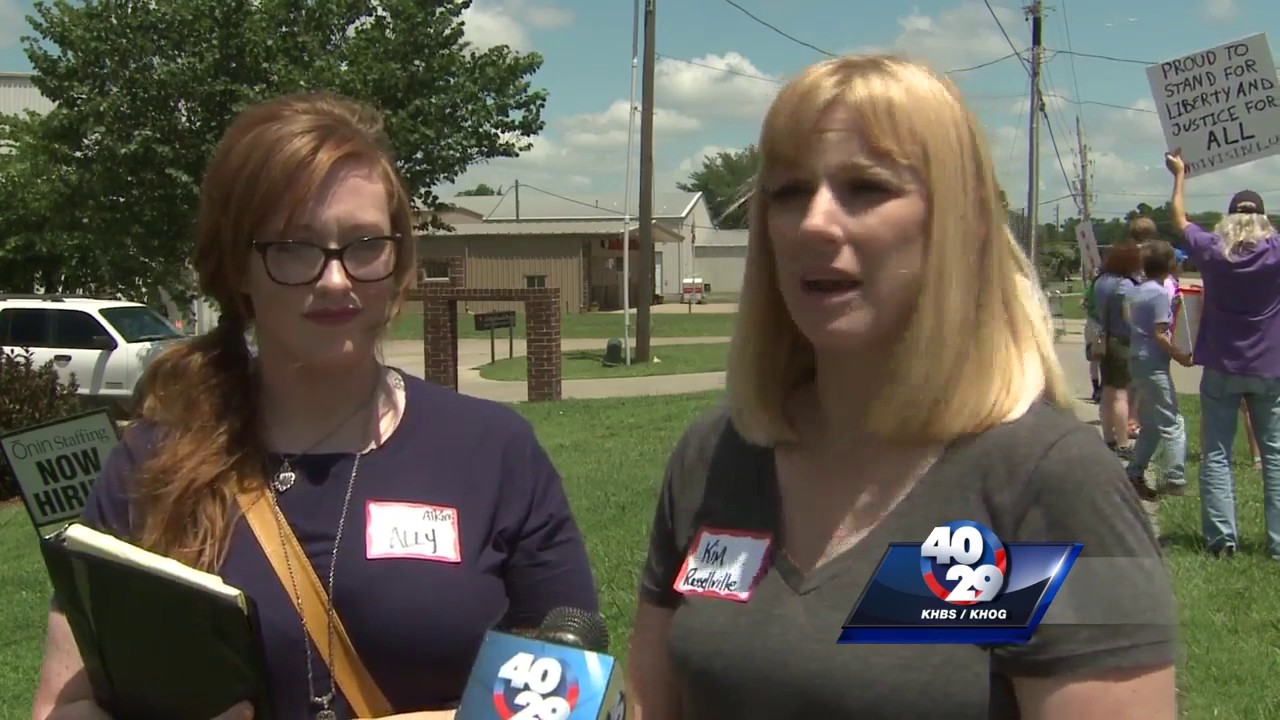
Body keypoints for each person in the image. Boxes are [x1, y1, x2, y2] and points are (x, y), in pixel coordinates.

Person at [626, 55, 1178, 719]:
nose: (815, 222)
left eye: (866, 187)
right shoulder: (716, 455)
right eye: (789, 192)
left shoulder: (1050, 484)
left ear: (960, 223)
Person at [30, 92, 599, 720]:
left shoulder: (493, 453)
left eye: (364, 243)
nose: (335, 279)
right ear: (239, 268)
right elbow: (66, 704)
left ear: (398, 260)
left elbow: (575, 695)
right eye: (294, 247)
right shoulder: (152, 465)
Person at [1166, 151, 1280, 559]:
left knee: (1216, 454)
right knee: (1275, 456)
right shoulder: (1275, 251)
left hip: (1220, 364)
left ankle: (1221, 541)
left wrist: (1180, 175)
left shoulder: (1213, 250)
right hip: (1269, 365)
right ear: (1264, 219)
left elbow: (1179, 219)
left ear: (1229, 217)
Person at [1124, 240, 1194, 500]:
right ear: (1169, 264)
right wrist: (1180, 356)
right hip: (1153, 363)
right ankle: (1175, 479)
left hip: (1136, 359)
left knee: (1152, 424)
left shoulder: (1136, 291)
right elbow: (1160, 334)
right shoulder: (1159, 294)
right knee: (1172, 422)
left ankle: (1134, 473)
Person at [1092, 234, 1145, 455]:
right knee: (1122, 394)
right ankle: (1123, 442)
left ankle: (1109, 438)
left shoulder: (1101, 282)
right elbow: (1130, 317)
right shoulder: (1125, 285)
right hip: (1122, 341)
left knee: (1107, 391)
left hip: (1103, 338)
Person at [1082, 268, 1103, 402]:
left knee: (1094, 358)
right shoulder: (1104, 287)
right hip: (1100, 323)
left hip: (1092, 323)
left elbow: (1083, 303)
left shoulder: (1093, 286)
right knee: (1103, 358)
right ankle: (1100, 389)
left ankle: (1096, 389)